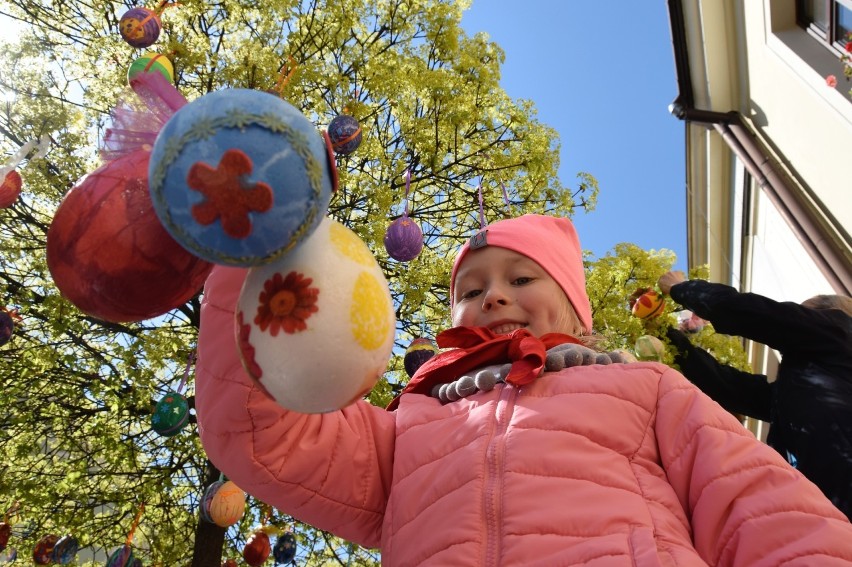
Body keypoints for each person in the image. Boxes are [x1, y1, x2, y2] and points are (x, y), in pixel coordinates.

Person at [195, 215, 852, 565]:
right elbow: (261, 430)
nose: (496, 294)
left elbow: (761, 508)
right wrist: (251, 258)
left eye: (522, 278)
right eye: (472, 290)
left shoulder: (642, 388)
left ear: (574, 310)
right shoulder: (408, 427)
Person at [658, 269, 852, 520]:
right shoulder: (800, 389)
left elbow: (761, 316)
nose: (796, 315)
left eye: (802, 311)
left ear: (821, 314)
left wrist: (683, 288)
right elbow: (728, 385)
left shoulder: (840, 330)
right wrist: (668, 336)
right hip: (822, 514)